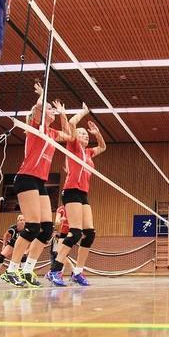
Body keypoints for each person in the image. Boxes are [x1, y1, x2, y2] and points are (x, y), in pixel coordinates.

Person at [1, 83, 73, 287]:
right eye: (49, 109)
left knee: (47, 229)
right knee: (32, 227)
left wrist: (62, 114)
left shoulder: (51, 133)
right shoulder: (35, 127)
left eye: (51, 109)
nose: (51, 110)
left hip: (40, 182)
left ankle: (27, 270)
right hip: (26, 178)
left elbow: (69, 136)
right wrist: (42, 98)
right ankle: (11, 270)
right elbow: (35, 111)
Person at [46, 107, 106, 287]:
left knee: (89, 234)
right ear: (75, 136)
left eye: (86, 135)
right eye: (82, 134)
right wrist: (83, 112)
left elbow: (103, 147)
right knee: (75, 232)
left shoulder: (88, 153)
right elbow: (71, 123)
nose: (85, 136)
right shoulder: (72, 145)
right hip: (71, 191)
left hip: (83, 194)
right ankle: (55, 270)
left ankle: (78, 272)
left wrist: (97, 133)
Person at [50, 205, 73, 275]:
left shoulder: (74, 207)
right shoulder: (61, 209)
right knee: (60, 254)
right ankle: (61, 272)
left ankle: (73, 271)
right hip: (63, 233)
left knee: (62, 254)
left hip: (72, 233)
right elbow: (57, 222)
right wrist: (61, 219)